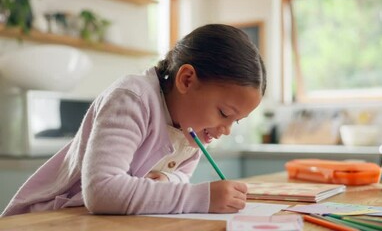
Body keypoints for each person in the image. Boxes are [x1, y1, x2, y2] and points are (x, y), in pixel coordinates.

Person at [2, 24, 266, 216]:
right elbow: (103, 191)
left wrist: (166, 181)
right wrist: (201, 197)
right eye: (224, 113)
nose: (227, 129)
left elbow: (179, 178)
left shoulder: (193, 131)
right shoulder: (132, 98)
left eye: (236, 121)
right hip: (46, 218)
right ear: (186, 79)